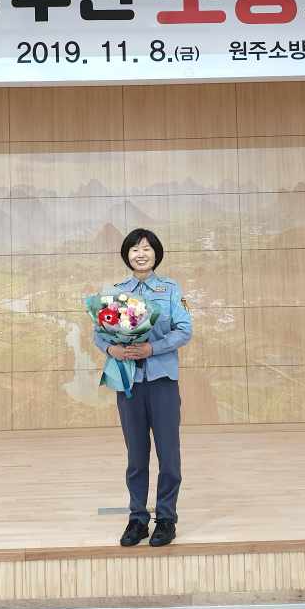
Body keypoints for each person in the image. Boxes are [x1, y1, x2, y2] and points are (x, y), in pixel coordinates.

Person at [93, 228, 193, 547]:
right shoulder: (115, 292)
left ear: (156, 254)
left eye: (147, 248)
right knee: (136, 456)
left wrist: (153, 348)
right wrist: (112, 349)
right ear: (127, 254)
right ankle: (137, 519)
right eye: (135, 249)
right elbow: (99, 333)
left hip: (162, 381)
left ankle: (166, 518)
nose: (141, 253)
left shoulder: (170, 289)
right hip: (129, 382)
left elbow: (184, 330)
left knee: (169, 455)